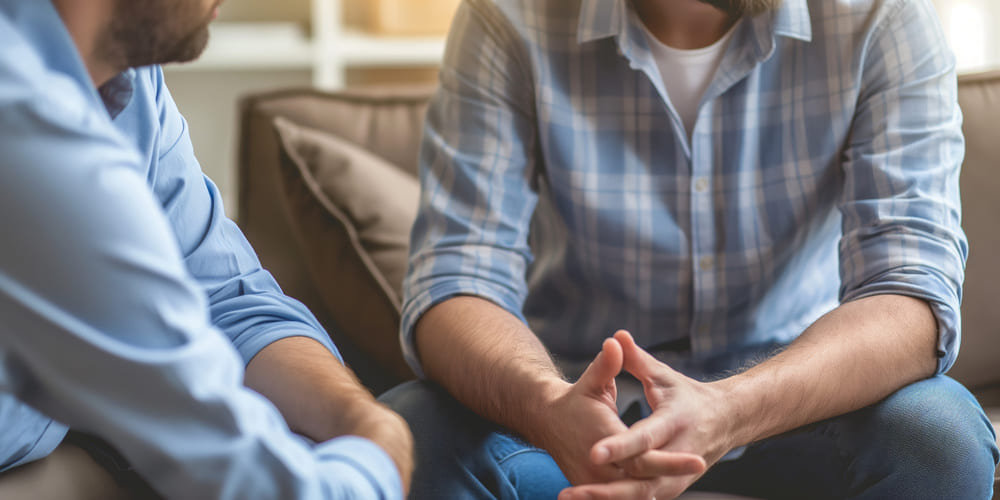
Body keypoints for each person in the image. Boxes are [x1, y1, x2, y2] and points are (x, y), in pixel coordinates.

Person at [381, 0, 1000, 498]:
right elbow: (457, 278)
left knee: (938, 437)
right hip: (573, 423)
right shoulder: (507, 16)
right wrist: (547, 407)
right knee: (411, 429)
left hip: (795, 410)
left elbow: (911, 293)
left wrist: (729, 409)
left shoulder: (882, 15)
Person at [0, 0, 412, 498]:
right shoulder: (24, 123)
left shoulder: (126, 78)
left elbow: (228, 298)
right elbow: (262, 485)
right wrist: (384, 451)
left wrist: (356, 416)